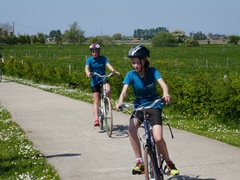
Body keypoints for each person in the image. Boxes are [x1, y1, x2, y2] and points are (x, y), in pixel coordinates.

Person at [116, 45, 179, 176]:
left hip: (154, 105)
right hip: (139, 105)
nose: (135, 66)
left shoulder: (152, 71)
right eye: (133, 63)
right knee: (131, 129)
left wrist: (166, 94)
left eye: (137, 62)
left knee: (158, 137)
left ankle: (169, 163)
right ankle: (140, 161)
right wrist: (120, 101)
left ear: (144, 61)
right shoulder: (130, 75)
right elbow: (124, 91)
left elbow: (163, 85)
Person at [85, 43, 120, 126]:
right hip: (95, 81)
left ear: (98, 52)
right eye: (93, 52)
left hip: (103, 79)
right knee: (96, 100)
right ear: (91, 53)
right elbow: (86, 67)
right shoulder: (89, 60)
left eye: (96, 52)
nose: (94, 53)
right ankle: (96, 119)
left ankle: (108, 102)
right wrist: (88, 73)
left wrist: (114, 71)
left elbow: (108, 65)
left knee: (108, 90)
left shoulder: (103, 58)